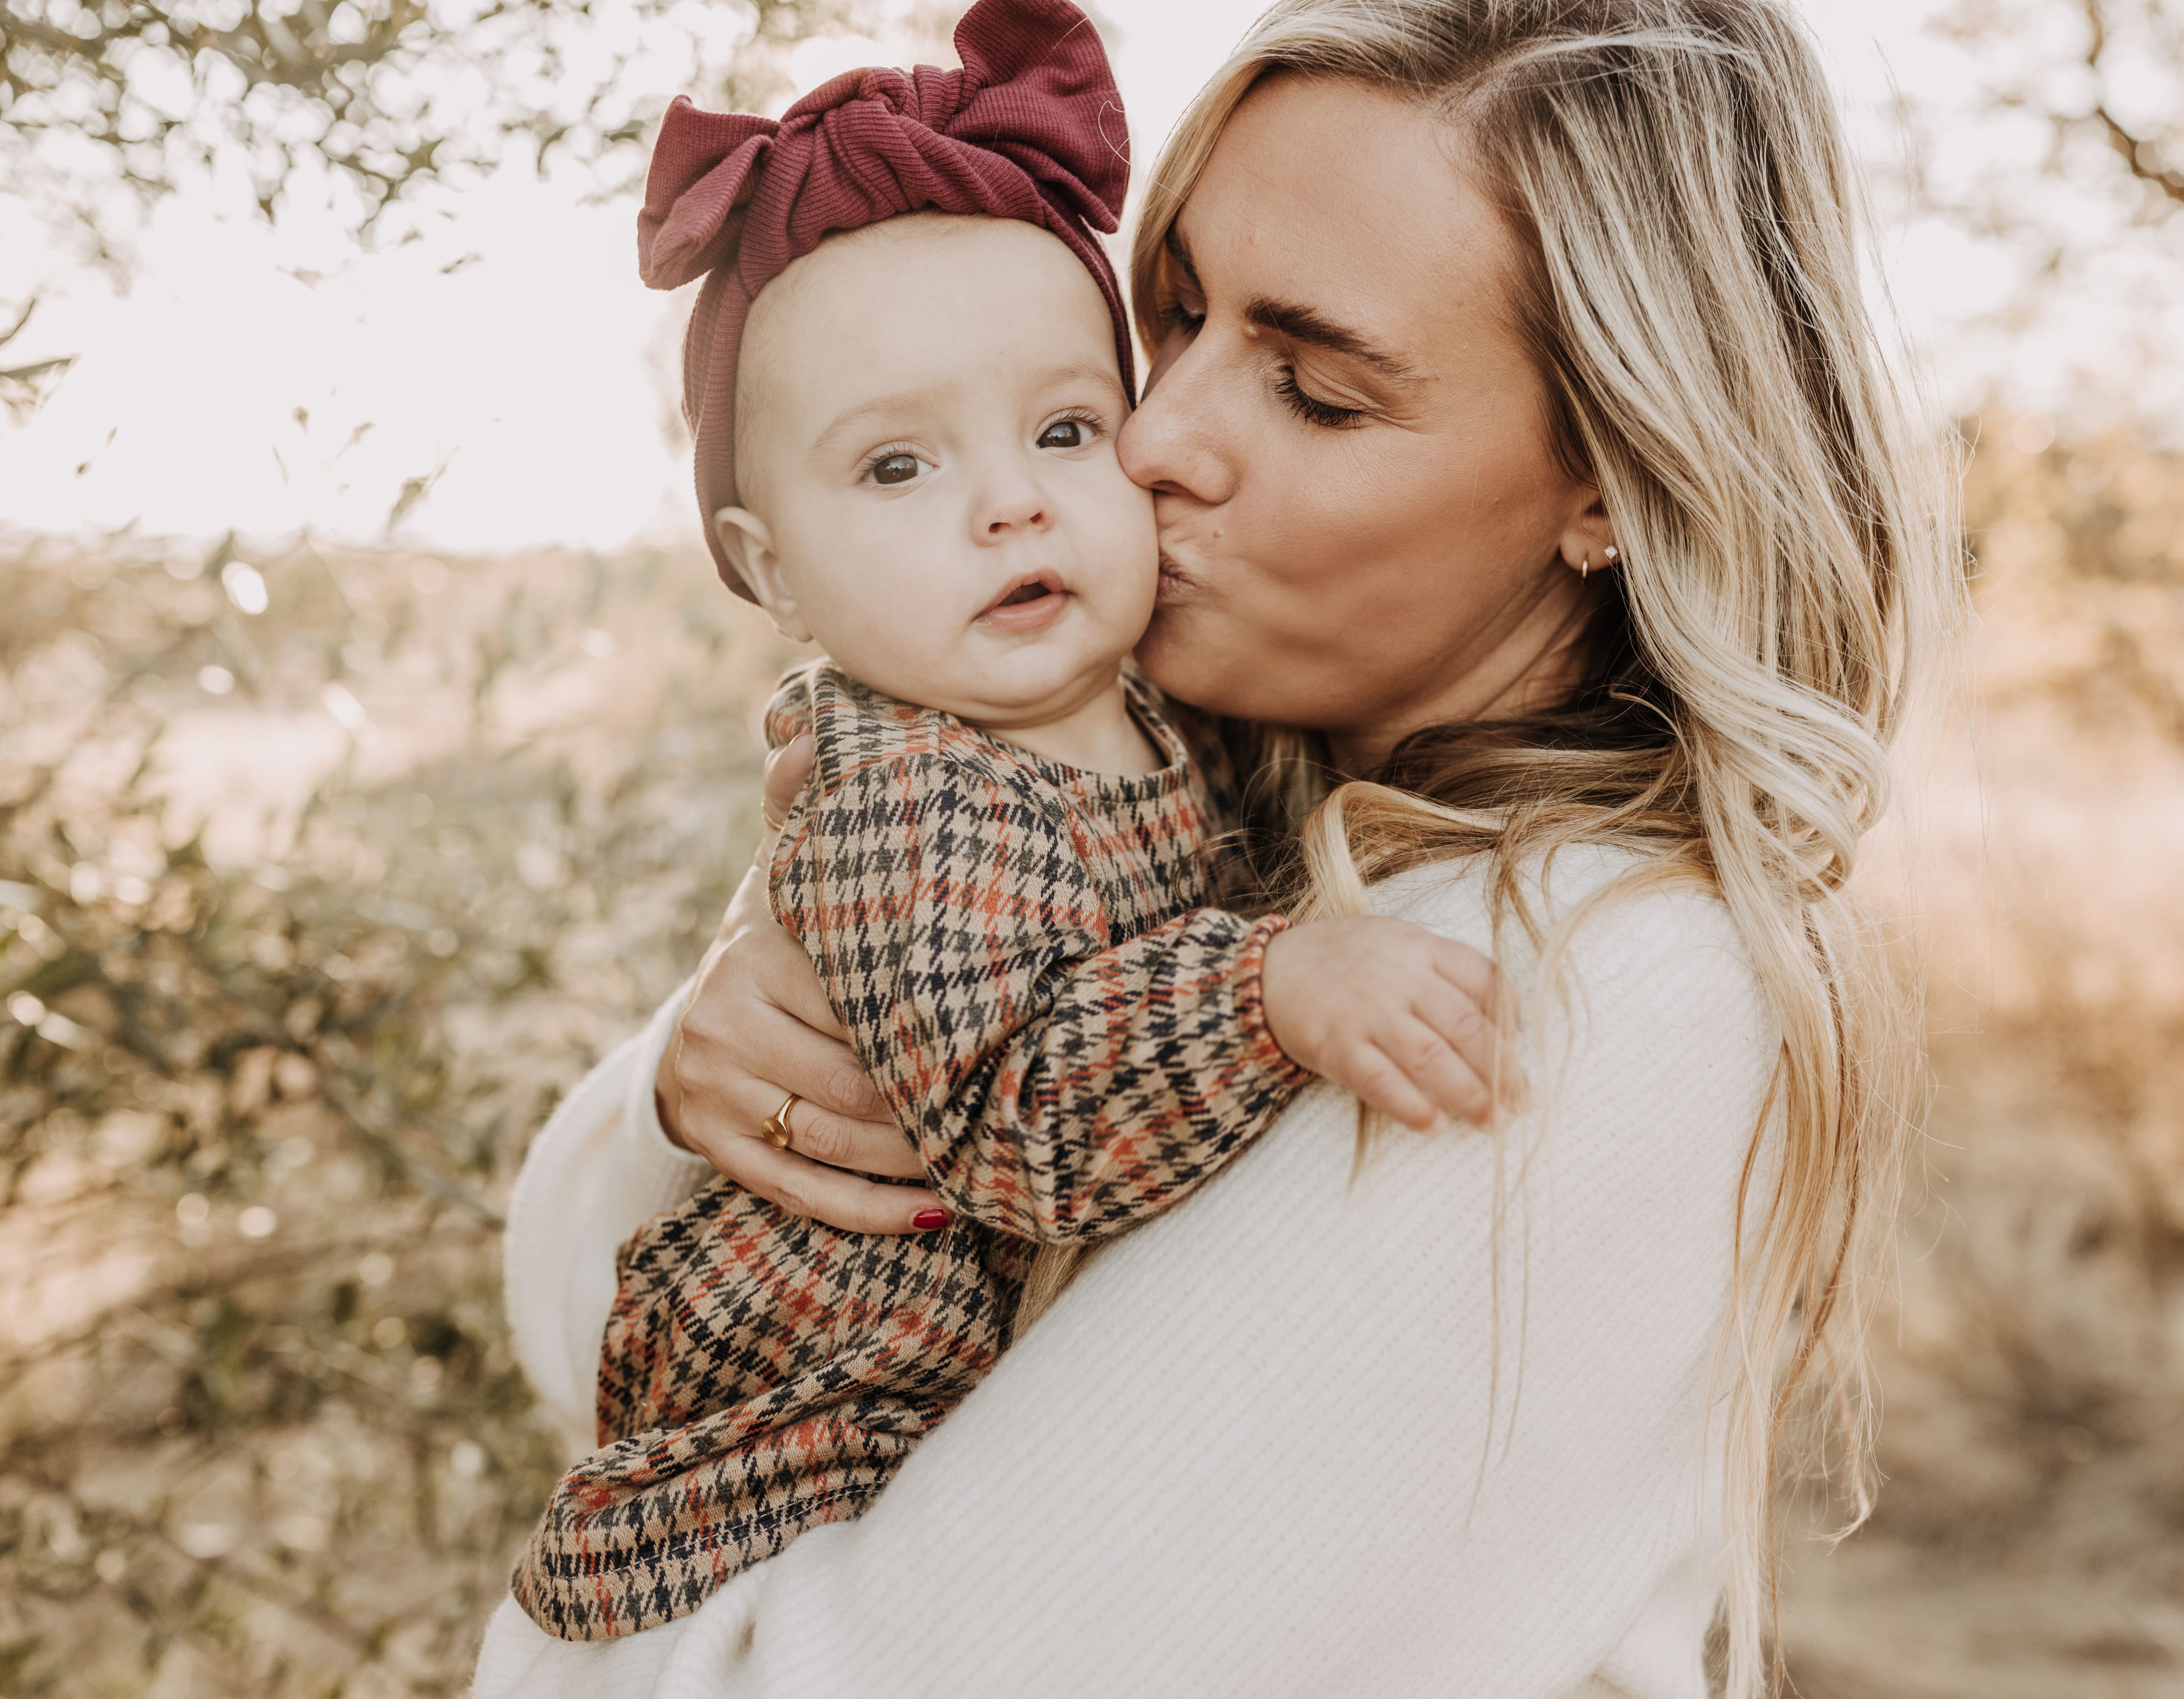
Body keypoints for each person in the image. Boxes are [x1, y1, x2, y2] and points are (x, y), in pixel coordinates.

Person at [476, 0, 1957, 1692]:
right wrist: (700, 1083)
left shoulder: (1582, 984)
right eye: (1166, 318)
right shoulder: (1143, 791)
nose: (1155, 436)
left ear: (1617, 478)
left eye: (1315, 390)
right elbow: (585, 1350)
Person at [509, 3, 1509, 1640]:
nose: (1011, 501)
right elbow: (1020, 1119)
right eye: (897, 468)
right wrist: (1271, 990)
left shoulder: (1172, 724)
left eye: (1063, 428)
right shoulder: (912, 792)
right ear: (767, 573)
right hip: (829, 1423)